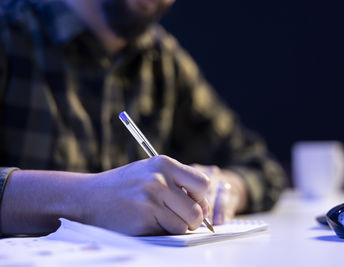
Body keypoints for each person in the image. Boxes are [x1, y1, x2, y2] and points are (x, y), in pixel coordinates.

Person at [0, 0, 285, 236]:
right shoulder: (9, 29)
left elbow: (260, 164)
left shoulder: (162, 58)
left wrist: (225, 187)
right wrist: (87, 198)